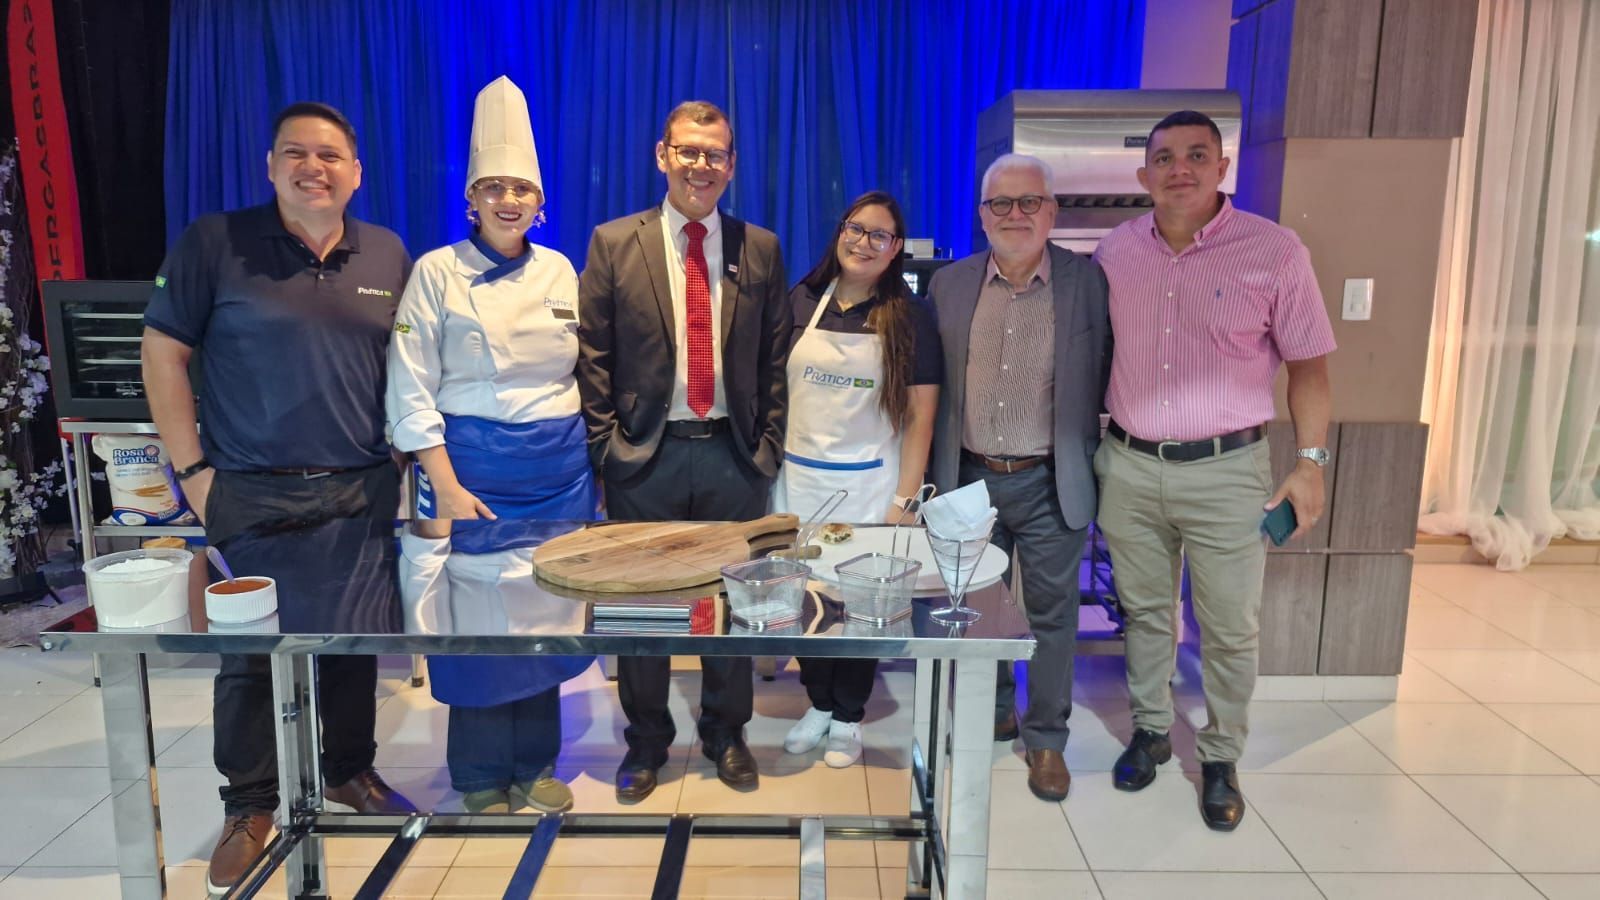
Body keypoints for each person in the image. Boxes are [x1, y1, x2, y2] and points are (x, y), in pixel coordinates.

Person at [141, 101, 416, 895]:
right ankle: (249, 804)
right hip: (249, 488)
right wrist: (191, 473)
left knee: (354, 645)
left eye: (330, 156)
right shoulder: (215, 243)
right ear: (270, 166)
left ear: (355, 173)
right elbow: (163, 351)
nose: (313, 168)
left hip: (361, 487)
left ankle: (349, 770)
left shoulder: (388, 252)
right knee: (248, 660)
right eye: (295, 153)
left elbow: (408, 369)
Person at [1093, 110, 1335, 831]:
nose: (1180, 169)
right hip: (1130, 466)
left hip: (1230, 469)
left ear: (1222, 166)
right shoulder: (1114, 251)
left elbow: (1311, 370)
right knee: (1144, 614)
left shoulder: (1275, 251)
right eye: (1165, 158)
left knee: (1230, 624)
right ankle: (1151, 729)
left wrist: (1311, 463)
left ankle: (1223, 753)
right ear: (1144, 176)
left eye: (1197, 155)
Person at [386, 76, 593, 814]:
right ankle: (477, 775)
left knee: (545, 616)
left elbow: (585, 370)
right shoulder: (435, 273)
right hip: (469, 473)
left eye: (523, 190)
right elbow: (410, 388)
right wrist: (443, 482)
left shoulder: (562, 269)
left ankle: (536, 764)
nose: (510, 201)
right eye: (494, 187)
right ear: (471, 198)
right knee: (475, 622)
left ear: (541, 202)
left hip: (557, 475)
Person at [576, 100, 789, 802]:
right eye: (689, 151)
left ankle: (727, 734)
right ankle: (646, 743)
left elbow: (774, 357)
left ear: (731, 164)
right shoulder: (614, 242)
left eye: (716, 153)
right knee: (644, 611)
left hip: (734, 455)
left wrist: (768, 445)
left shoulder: (759, 246)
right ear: (663, 155)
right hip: (647, 457)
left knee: (732, 606)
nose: (702, 164)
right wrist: (607, 448)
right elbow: (595, 356)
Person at [927, 153, 1111, 803]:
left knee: (1054, 616)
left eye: (1027, 202)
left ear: (1051, 210)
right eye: (999, 204)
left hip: (1050, 477)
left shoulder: (1088, 283)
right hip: (969, 477)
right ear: (981, 216)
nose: (1014, 215)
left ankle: (1047, 738)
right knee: (978, 612)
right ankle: (997, 708)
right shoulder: (949, 285)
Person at [774, 191, 941, 767]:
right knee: (810, 602)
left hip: (872, 486)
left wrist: (906, 497)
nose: (864, 243)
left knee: (862, 606)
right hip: (799, 484)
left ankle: (848, 715)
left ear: (896, 249)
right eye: (856, 229)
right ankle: (817, 702)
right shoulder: (800, 301)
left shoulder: (911, 317)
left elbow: (921, 414)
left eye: (880, 235)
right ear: (839, 232)